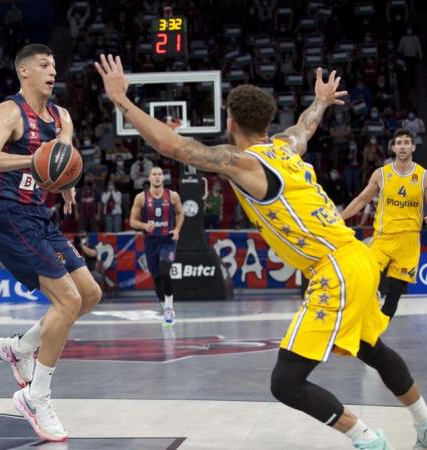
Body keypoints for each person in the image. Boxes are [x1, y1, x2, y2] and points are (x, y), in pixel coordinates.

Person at [96, 55, 427, 449]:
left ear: (231, 122)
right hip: (357, 258)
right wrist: (319, 102)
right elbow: (305, 125)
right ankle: (423, 423)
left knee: (286, 382)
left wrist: (122, 100)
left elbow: (175, 146)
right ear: (267, 123)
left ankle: (370, 441)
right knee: (372, 347)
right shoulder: (286, 147)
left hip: (336, 268)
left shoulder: (245, 164)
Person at [0, 44, 102, 442]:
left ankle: (21, 346)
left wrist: (64, 184)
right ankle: (36, 397)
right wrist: (33, 161)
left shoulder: (61, 116)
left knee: (90, 293)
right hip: (5, 213)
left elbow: (62, 158)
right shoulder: (8, 111)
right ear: (24, 72)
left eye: (54, 65)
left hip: (37, 215)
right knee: (67, 301)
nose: (52, 71)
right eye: (44, 65)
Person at [341, 129, 426, 319]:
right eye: (399, 143)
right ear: (393, 148)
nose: (403, 146)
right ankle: (360, 317)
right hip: (383, 238)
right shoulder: (381, 174)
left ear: (413, 147)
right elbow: (362, 200)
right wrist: (340, 218)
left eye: (406, 142)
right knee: (369, 279)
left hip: (409, 241)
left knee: (393, 296)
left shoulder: (423, 176)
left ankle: (376, 333)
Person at [129, 166, 184, 326]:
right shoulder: (141, 198)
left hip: (168, 240)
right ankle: (164, 306)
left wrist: (178, 229)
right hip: (151, 241)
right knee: (157, 279)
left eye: (160, 174)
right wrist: (145, 226)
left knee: (165, 269)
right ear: (149, 178)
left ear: (163, 177)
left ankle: (169, 308)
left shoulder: (173, 196)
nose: (157, 177)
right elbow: (132, 221)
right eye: (154, 174)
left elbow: (181, 213)